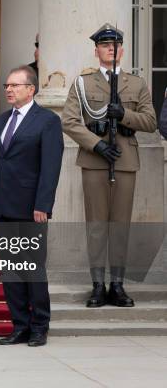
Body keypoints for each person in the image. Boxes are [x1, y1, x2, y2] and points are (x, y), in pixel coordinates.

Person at [61, 23, 157, 308]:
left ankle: (117, 284)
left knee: (120, 225)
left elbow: (150, 122)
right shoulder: (83, 84)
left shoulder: (137, 84)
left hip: (125, 161)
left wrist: (124, 114)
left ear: (122, 50)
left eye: (114, 45)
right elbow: (69, 121)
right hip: (94, 161)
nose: (110, 49)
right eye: (105, 45)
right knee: (96, 225)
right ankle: (97, 285)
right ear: (96, 51)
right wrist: (97, 144)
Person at [0, 65, 64, 347]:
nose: (9, 90)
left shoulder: (47, 121)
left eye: (15, 85)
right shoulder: (1, 121)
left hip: (31, 209)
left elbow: (51, 166)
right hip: (3, 207)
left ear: (31, 89)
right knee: (11, 269)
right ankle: (20, 325)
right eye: (7, 86)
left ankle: (40, 325)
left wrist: (43, 204)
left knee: (33, 269)